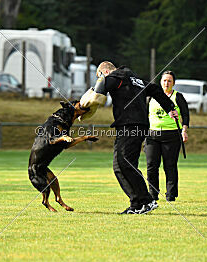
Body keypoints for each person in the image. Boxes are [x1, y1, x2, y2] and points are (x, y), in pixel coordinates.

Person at [79, 61, 178, 214]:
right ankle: (136, 204)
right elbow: (156, 90)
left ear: (104, 72)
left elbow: (99, 90)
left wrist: (82, 108)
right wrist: (170, 107)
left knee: (124, 163)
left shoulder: (114, 78)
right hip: (138, 125)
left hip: (129, 125)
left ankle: (147, 201)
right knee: (121, 166)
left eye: (100, 76)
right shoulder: (136, 80)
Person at [145, 70, 189, 202]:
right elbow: (145, 115)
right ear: (160, 82)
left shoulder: (178, 97)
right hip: (153, 135)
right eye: (164, 80)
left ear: (173, 83)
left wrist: (184, 130)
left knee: (170, 166)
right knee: (151, 165)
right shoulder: (151, 97)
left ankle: (171, 195)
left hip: (172, 135)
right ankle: (153, 194)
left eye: (169, 81)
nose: (166, 83)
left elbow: (186, 115)